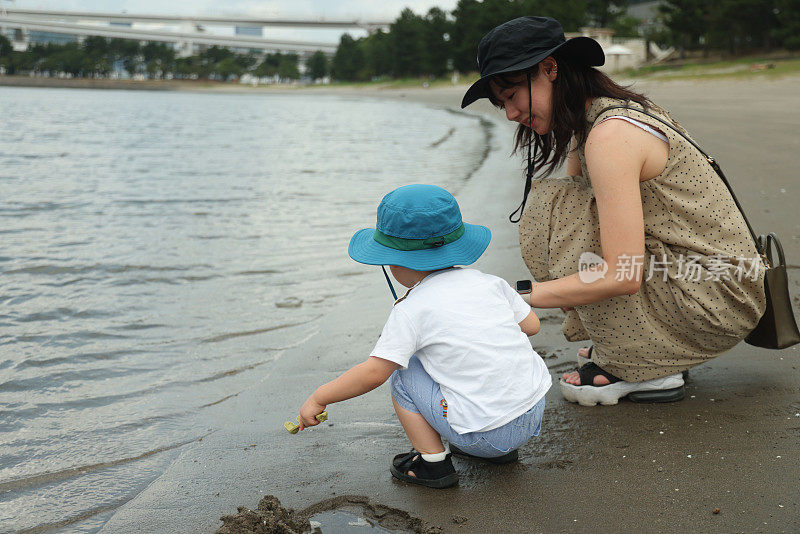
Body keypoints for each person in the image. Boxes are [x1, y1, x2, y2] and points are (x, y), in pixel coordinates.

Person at [461, 16, 766, 406]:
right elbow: (576, 201)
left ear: (550, 69)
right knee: (563, 205)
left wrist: (520, 295)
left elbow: (622, 274)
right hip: (721, 281)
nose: (510, 114)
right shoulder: (599, 118)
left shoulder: (611, 135)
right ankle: (651, 345)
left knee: (560, 215)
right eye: (501, 103)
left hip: (717, 300)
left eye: (511, 95)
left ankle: (642, 367)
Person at [297, 184, 551, 488]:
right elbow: (532, 326)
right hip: (533, 413)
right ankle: (498, 451)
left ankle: (433, 464)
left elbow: (374, 374)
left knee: (404, 374)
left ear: (395, 262)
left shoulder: (411, 309)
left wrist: (320, 397)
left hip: (484, 434)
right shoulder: (491, 283)